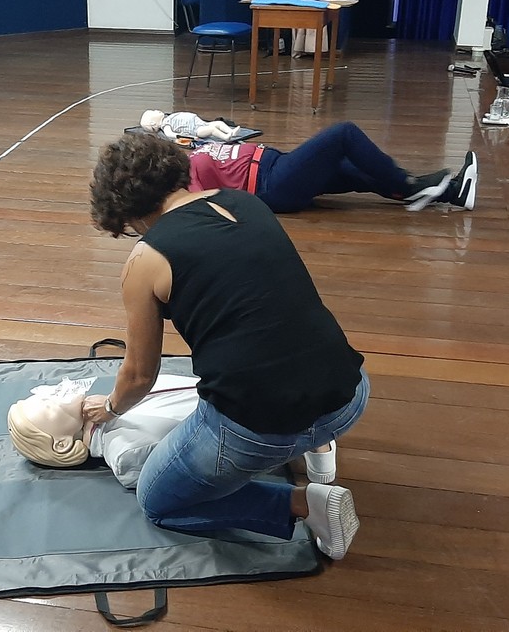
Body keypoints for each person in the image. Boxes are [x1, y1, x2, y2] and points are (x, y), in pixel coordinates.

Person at [84, 133, 370, 560]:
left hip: (258, 429)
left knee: (158, 500)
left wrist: (109, 408)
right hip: (349, 394)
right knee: (279, 337)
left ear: (126, 213)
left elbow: (140, 375)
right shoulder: (245, 203)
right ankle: (318, 443)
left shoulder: (146, 258)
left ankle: (303, 503)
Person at [6, 374, 338, 489]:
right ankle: (307, 432)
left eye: (43, 395)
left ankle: (303, 423)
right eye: (48, 407)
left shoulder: (120, 399)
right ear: (62, 445)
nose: (50, 394)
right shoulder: (125, 452)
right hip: (256, 426)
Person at [184, 121, 477, 213]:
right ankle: (406, 183)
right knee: (343, 135)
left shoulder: (191, 152)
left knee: (358, 170)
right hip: (272, 185)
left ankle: (452, 192)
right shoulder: (181, 177)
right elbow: (193, 208)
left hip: (278, 165)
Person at [141, 109, 238, 142]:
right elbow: (171, 135)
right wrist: (190, 137)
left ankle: (231, 131)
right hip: (195, 129)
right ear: (153, 123)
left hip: (198, 122)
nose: (156, 110)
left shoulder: (168, 117)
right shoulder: (166, 125)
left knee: (218, 123)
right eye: (154, 112)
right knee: (212, 129)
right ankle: (225, 137)